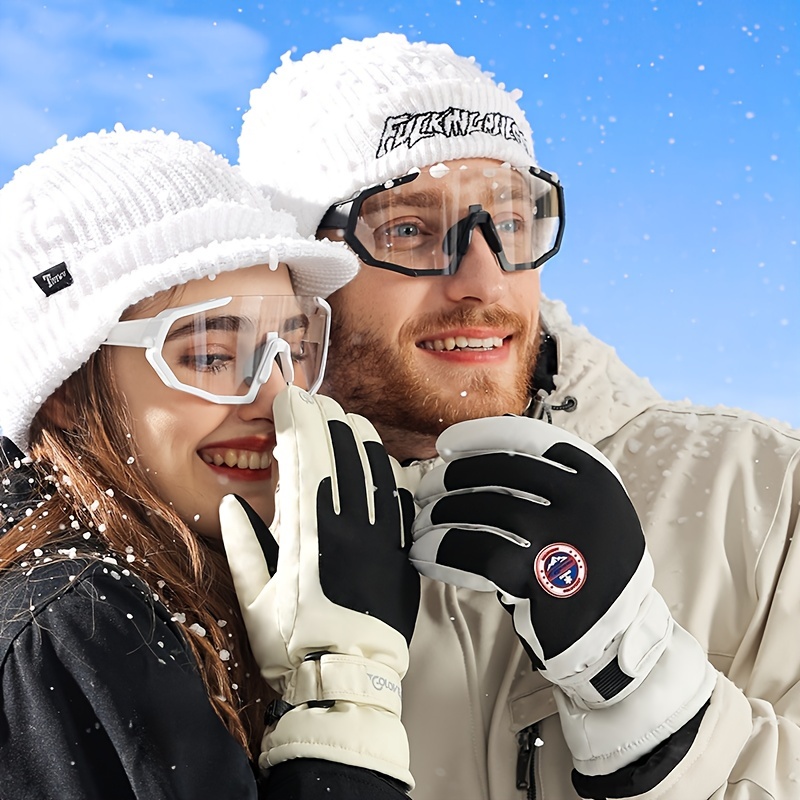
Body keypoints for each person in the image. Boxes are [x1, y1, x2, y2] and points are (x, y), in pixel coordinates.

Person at [237, 33, 800, 799]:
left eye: (510, 222)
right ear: (301, 273)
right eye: (407, 227)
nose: (485, 279)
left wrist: (652, 707)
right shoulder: (216, 532)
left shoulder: (765, 495)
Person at [0, 127, 420, 799]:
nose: (277, 398)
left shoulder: (222, 589)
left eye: (292, 348)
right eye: (210, 356)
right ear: (64, 395)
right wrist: (343, 708)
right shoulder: (77, 630)